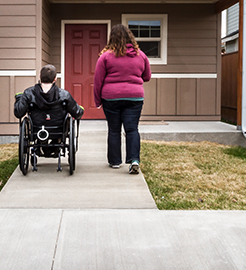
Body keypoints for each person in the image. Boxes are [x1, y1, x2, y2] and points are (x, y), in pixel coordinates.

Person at [93, 24, 151, 174]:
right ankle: (134, 160)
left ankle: (115, 162)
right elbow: (147, 77)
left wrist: (97, 101)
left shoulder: (105, 56)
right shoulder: (141, 55)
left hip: (111, 98)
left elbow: (98, 80)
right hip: (134, 97)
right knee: (132, 129)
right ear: (130, 37)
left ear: (112, 38)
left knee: (114, 130)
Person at [14, 64, 84, 127]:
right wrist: (80, 110)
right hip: (59, 130)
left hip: (36, 129)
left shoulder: (29, 93)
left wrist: (19, 98)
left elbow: (18, 113)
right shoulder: (64, 95)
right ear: (55, 79)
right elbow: (77, 114)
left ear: (40, 76)